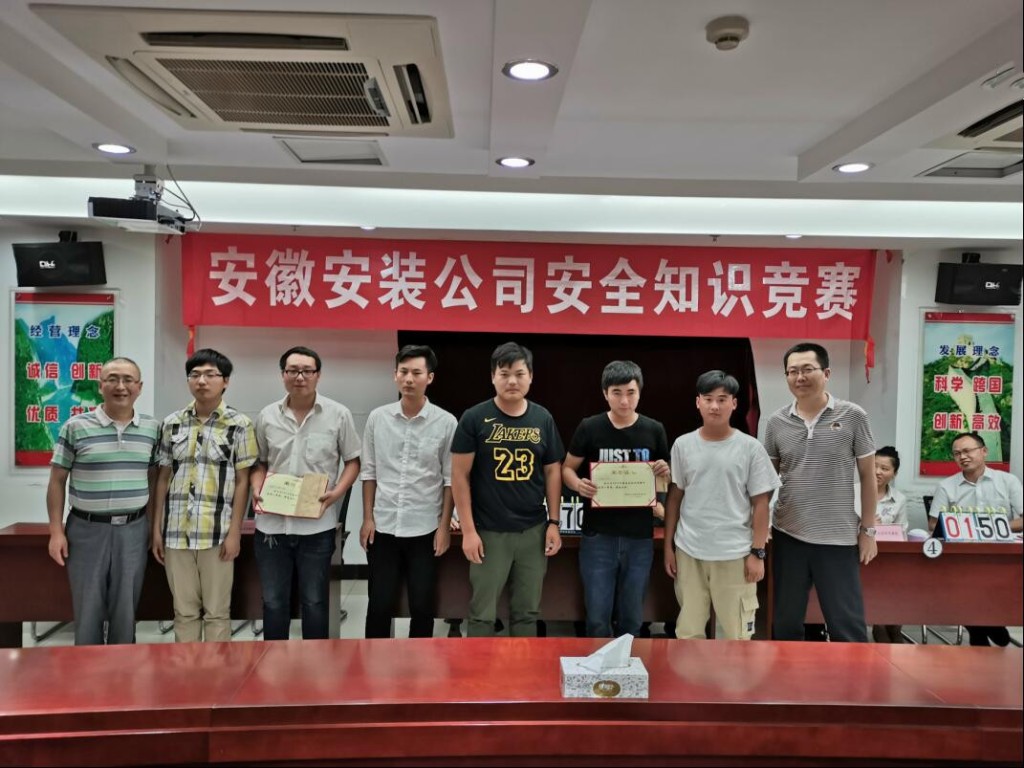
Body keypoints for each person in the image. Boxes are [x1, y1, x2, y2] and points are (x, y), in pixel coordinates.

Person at [764, 342, 878, 643]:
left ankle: (852, 673)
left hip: (838, 537)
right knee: (785, 622)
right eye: (792, 371)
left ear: (826, 373)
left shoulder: (853, 415)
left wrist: (868, 530)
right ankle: (786, 672)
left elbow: (868, 476)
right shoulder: (776, 422)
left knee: (846, 624)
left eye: (807, 369)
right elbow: (767, 481)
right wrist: (760, 526)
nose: (799, 377)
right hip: (789, 534)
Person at [451, 341, 564, 637]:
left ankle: (522, 666)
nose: (512, 381)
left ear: (531, 377)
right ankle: (480, 668)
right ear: (493, 377)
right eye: (504, 374)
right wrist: (468, 531)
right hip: (488, 532)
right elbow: (459, 476)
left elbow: (553, 470)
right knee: (482, 614)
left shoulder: (542, 418)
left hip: (533, 532)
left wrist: (553, 522)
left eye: (519, 373)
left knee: (527, 613)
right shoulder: (474, 418)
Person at [46, 357, 161, 645]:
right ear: (100, 386)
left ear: (139, 387)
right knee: (88, 609)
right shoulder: (76, 426)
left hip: (133, 529)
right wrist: (56, 531)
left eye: (128, 380)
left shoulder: (152, 429)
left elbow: (153, 478)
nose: (121, 386)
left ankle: (122, 668)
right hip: (86, 529)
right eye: (113, 379)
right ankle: (87, 668)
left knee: (126, 608)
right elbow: (57, 480)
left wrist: (151, 525)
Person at [250, 346, 361, 640]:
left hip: (317, 526)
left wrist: (337, 493)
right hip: (272, 526)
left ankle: (315, 663)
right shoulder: (267, 415)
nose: (300, 377)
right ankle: (274, 660)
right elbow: (259, 463)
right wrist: (256, 486)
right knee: (273, 602)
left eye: (307, 371)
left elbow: (353, 461)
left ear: (318, 375)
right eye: (293, 371)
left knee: (314, 602)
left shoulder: (338, 414)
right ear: (283, 375)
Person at [151, 348, 258, 642]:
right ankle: (187, 669)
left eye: (210, 375)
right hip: (176, 533)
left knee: (217, 613)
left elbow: (243, 482)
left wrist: (235, 533)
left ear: (225, 381)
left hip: (217, 532)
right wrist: (156, 529)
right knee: (183, 612)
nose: (202, 381)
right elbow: (163, 477)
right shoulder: (172, 423)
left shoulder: (239, 424)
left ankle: (216, 669)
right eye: (195, 375)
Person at [663, 370, 779, 640]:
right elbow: (675, 498)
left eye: (722, 399)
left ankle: (733, 671)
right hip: (689, 552)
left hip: (735, 554)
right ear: (698, 402)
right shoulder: (682, 445)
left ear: (734, 403)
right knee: (688, 631)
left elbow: (761, 504)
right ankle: (692, 671)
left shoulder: (750, 448)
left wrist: (758, 553)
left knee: (736, 634)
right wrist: (669, 547)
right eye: (708, 399)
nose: (714, 406)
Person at [562, 360, 670, 638]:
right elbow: (566, 469)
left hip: (639, 537)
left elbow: (664, 478)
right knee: (597, 617)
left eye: (631, 393)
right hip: (598, 535)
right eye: (617, 393)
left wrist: (665, 471)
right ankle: (599, 664)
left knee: (632, 616)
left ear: (640, 393)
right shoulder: (590, 427)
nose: (624, 400)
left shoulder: (654, 429)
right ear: (605, 393)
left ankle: (628, 663)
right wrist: (578, 484)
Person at [360, 344, 457, 638]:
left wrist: (444, 526)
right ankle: (374, 660)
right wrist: (367, 518)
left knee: (422, 605)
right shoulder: (377, 418)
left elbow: (450, 480)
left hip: (425, 528)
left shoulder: (446, 422)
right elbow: (369, 472)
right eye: (403, 372)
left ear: (430, 377)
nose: (409, 379)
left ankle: (420, 662)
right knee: (378, 603)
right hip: (383, 526)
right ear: (395, 375)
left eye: (416, 373)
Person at [928, 431, 1023, 647]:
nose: (962, 456)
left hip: (1000, 555)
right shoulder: (946, 486)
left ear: (984, 451)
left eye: (967, 451)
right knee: (959, 588)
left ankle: (984, 628)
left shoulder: (1008, 481)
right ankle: (985, 628)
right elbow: (933, 525)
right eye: (957, 453)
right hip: (960, 556)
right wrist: (963, 527)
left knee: (986, 591)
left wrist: (989, 525)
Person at [871, 445, 907, 644]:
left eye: (884, 468)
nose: (877, 471)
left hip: (886, 558)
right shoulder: (852, 492)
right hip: (854, 556)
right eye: (874, 466)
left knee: (899, 580)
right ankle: (879, 623)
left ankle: (892, 624)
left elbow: (902, 533)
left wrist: (882, 529)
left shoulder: (899, 499)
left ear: (894, 473)